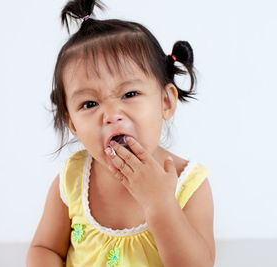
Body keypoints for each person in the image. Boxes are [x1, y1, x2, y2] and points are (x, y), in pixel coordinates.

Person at [27, 0, 215, 266]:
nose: (112, 115)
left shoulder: (189, 185)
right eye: (90, 104)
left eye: (130, 94)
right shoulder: (72, 180)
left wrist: (160, 204)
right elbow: (44, 249)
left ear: (166, 102)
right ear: (74, 125)